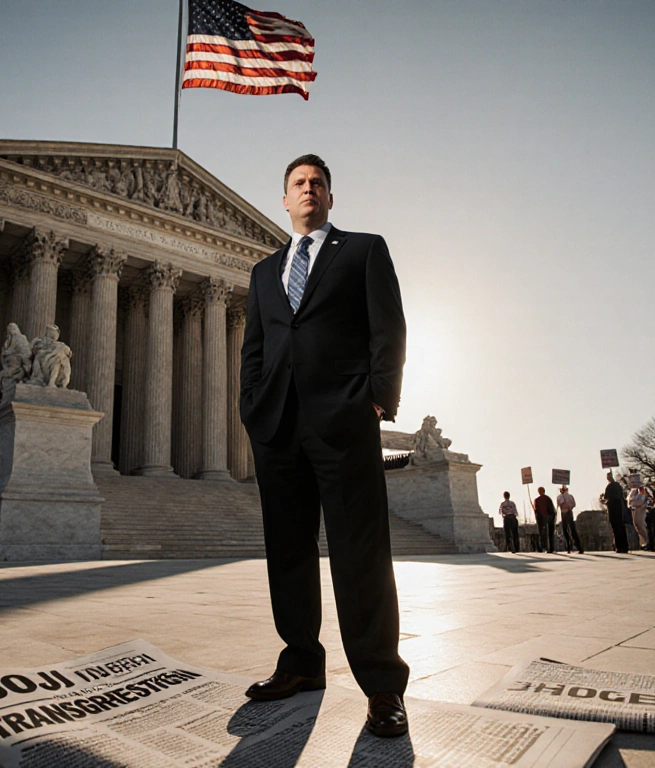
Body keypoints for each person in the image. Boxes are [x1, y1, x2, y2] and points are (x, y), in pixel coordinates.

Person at [239, 154, 409, 737]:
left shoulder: (362, 250)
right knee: (287, 551)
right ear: (284, 200)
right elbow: (255, 349)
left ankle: (382, 682)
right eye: (298, 184)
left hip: (343, 422)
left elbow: (390, 328)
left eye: (317, 184)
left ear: (330, 198)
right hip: (278, 427)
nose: (308, 190)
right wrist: (251, 408)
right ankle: (302, 662)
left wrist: (379, 400)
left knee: (360, 554)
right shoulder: (263, 272)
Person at [604, 472, 630, 553]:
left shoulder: (610, 486)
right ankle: (624, 546)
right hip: (620, 507)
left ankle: (619, 546)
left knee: (616, 527)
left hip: (613, 507)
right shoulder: (618, 485)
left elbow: (606, 497)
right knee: (621, 526)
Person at [556, 485, 583, 554]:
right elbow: (573, 504)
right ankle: (578, 546)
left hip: (565, 513)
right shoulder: (569, 496)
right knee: (572, 530)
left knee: (566, 530)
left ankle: (569, 546)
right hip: (568, 512)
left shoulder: (561, 497)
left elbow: (560, 504)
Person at [628, 482, 653, 551]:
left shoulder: (642, 489)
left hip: (641, 508)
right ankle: (643, 542)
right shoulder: (633, 490)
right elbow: (629, 499)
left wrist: (634, 498)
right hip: (634, 508)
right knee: (637, 525)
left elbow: (640, 499)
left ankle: (648, 541)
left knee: (640, 524)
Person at [532, 486, 557, 553]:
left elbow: (536, 510)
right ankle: (551, 547)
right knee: (550, 533)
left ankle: (544, 547)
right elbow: (552, 509)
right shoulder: (548, 498)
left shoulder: (537, 500)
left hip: (541, 519)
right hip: (549, 518)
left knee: (542, 533)